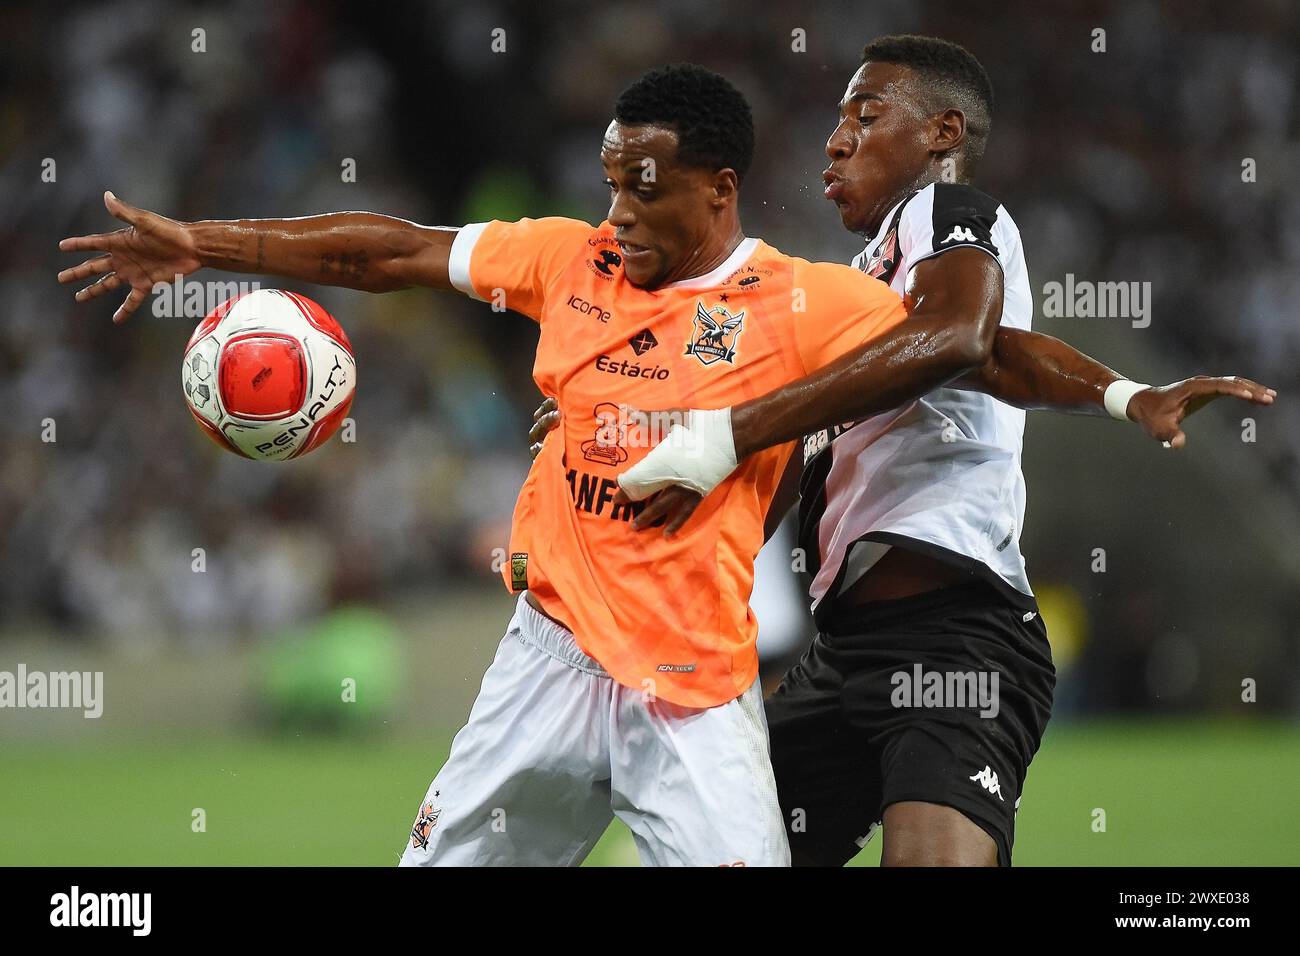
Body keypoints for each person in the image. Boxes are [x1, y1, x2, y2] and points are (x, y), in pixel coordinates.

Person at [58, 63, 923, 867]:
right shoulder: (569, 259)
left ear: (720, 189)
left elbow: (957, 344)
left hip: (694, 692)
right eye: (612, 184)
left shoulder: (804, 303)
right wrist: (203, 245)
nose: (617, 212)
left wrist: (789, 426)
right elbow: (393, 252)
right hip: (546, 662)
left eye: (643, 188)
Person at [593, 36, 1276, 866]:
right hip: (843, 651)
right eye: (837, 119)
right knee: (709, 851)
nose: (835, 140)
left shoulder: (950, 215)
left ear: (943, 133)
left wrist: (726, 434)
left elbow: (961, 339)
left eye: (866, 115)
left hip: (960, 640)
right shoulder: (861, 292)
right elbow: (984, 358)